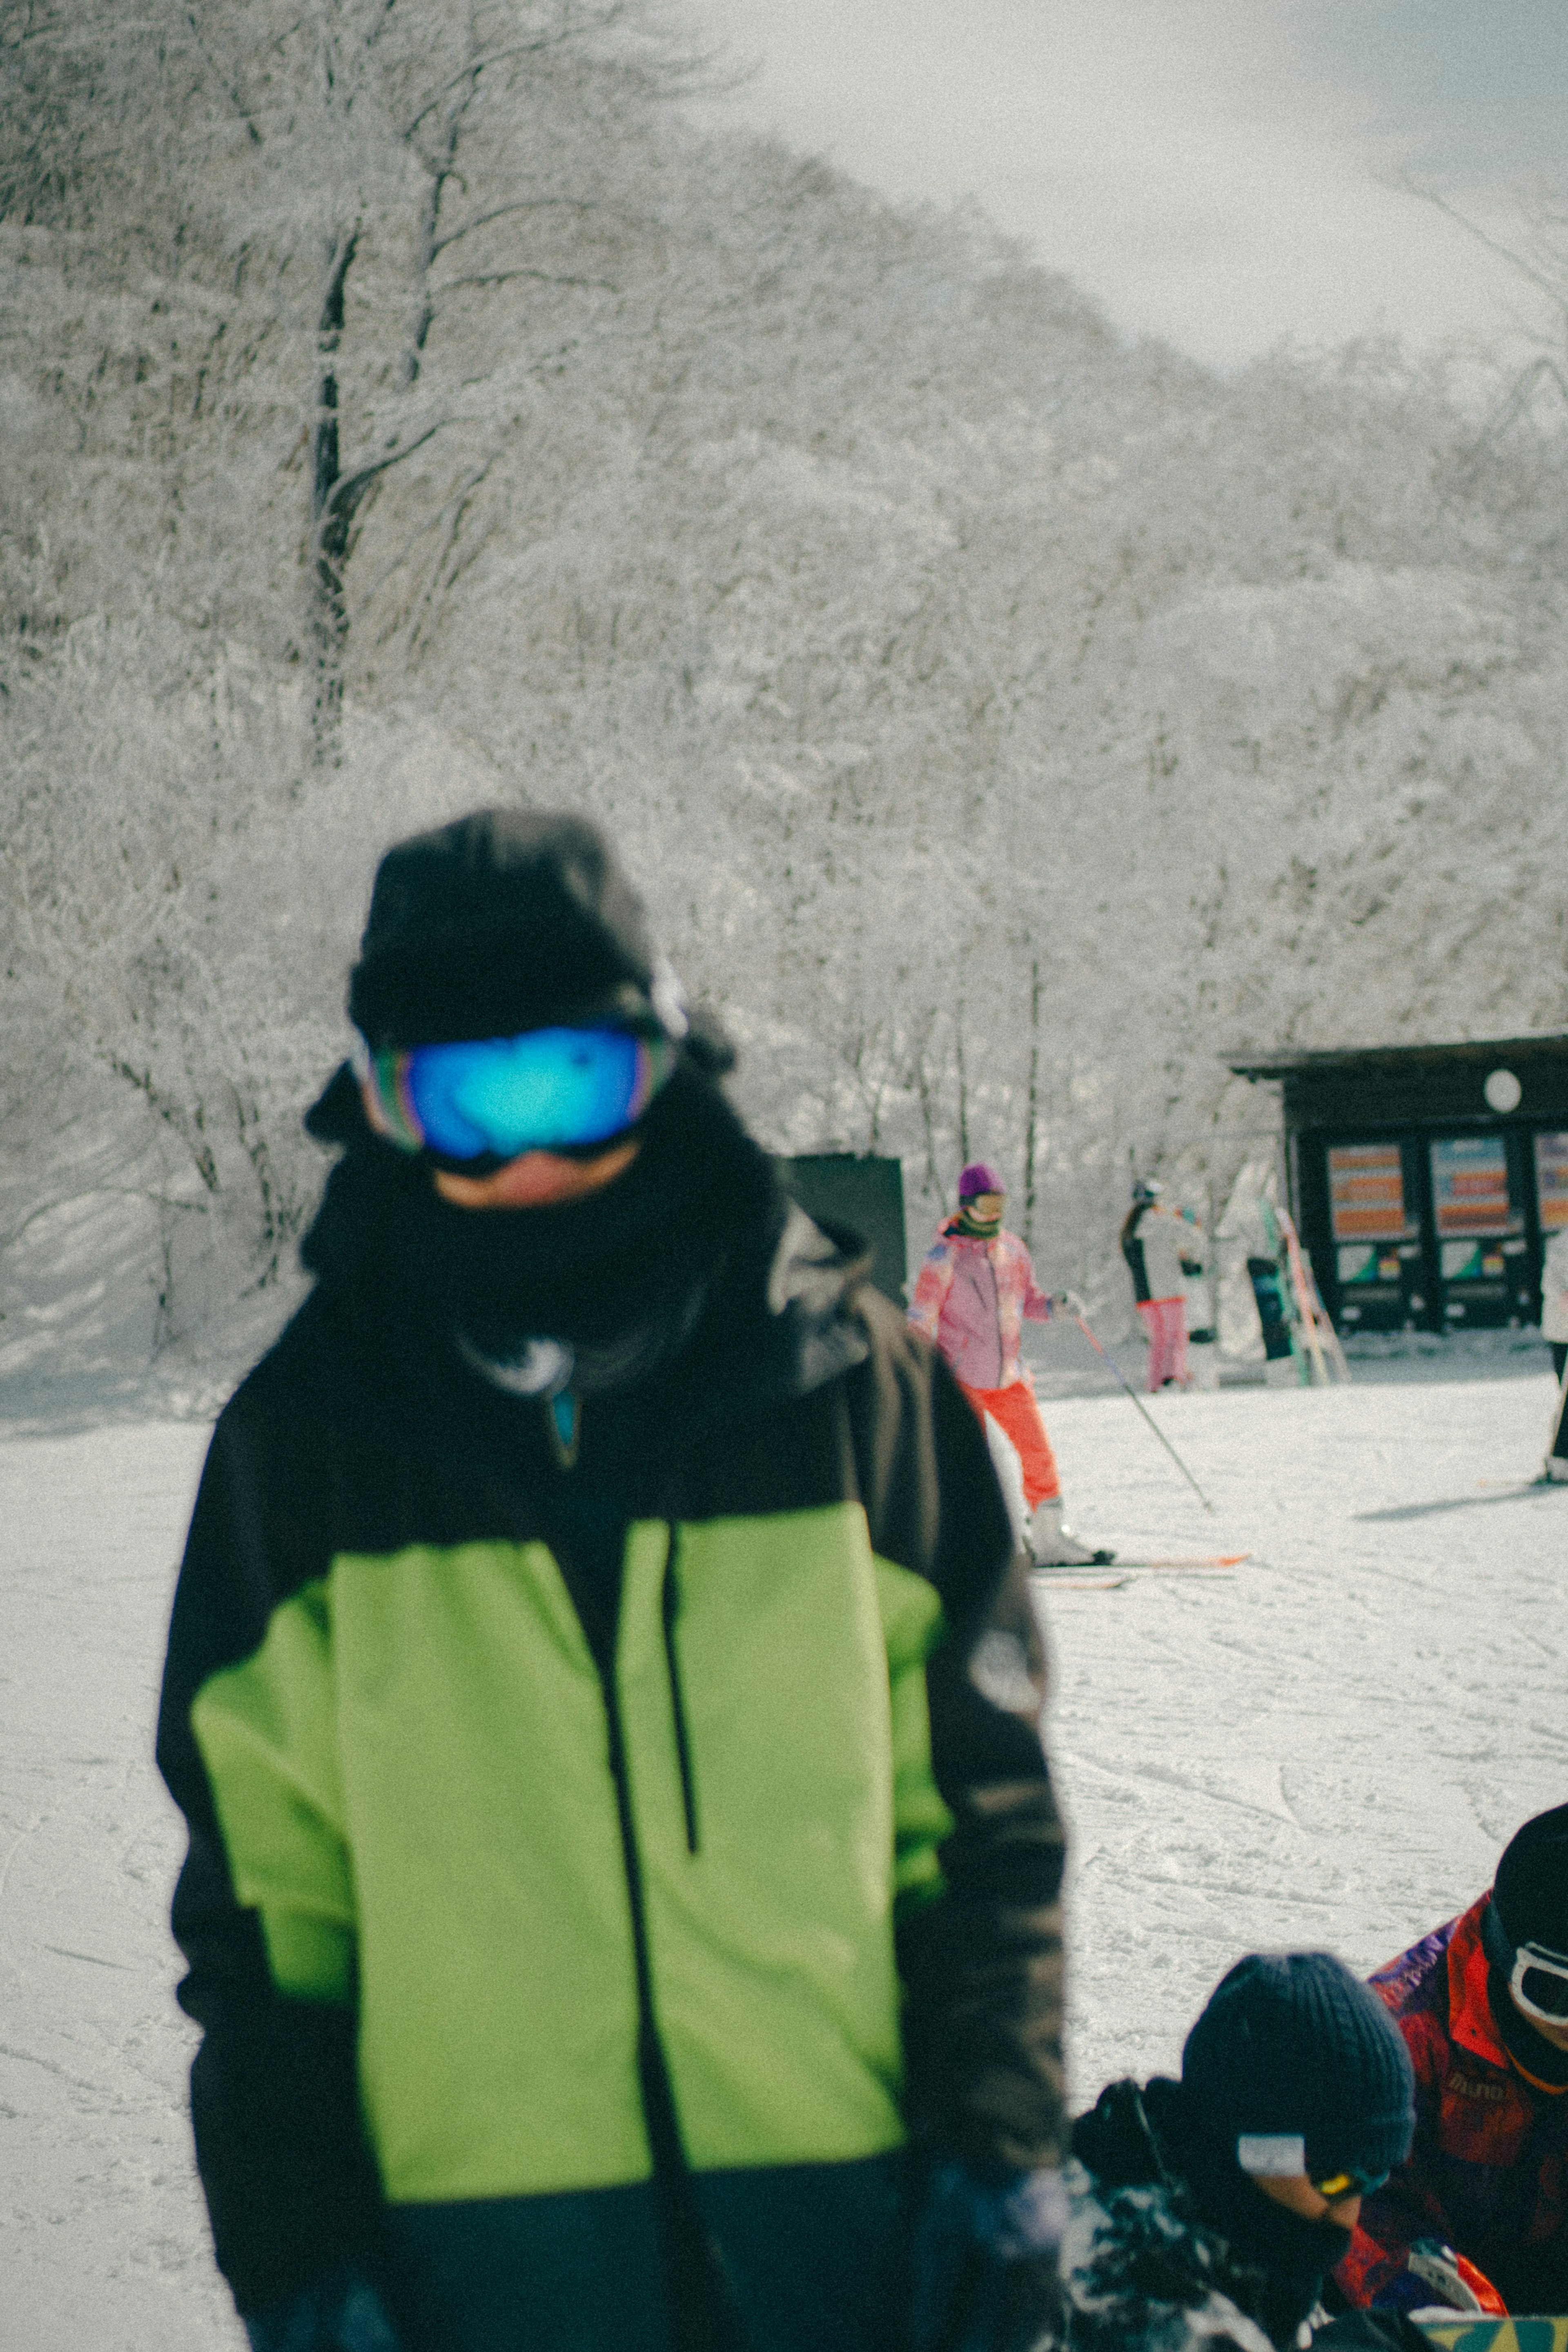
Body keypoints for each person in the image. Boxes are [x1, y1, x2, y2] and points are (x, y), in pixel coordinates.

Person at [156, 810, 1072, 2352]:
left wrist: (1000, 2154)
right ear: (386, 1107)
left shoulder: (852, 1393)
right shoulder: (307, 1452)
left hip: (850, 2238)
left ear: (654, 1063)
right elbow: (265, 1925)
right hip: (489, 2271)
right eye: (466, 1102)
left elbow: (982, 1824)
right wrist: (298, 2256)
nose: (528, 1160)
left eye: (569, 1085)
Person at [1064, 1951, 1424, 2352]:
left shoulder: (1178, 2193)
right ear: (1252, 2149)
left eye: (1375, 2173)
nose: (1348, 2212)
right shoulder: (1133, 2295)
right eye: (1335, 2177)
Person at [1335, 1802, 1568, 2321]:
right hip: (1444, 2276)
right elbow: (1359, 2201)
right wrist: (1439, 2306)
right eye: (1555, 1993)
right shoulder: (1396, 2039)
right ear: (1505, 1961)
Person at [908, 1164, 1112, 1568]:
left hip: (1009, 1376)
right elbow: (922, 1312)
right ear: (967, 1205)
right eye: (987, 1204)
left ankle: (1050, 1538)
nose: (994, 1212)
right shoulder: (944, 1255)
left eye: (1001, 1203)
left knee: (1038, 1453)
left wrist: (1055, 1306)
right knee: (972, 1464)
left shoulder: (1013, 1250)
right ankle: (975, 1544)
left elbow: (1028, 1301)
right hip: (961, 1377)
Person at [1120, 1179, 1193, 1393]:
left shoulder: (1129, 1229)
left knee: (1158, 1340)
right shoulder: (1164, 1220)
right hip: (1169, 1290)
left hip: (1144, 1296)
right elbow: (1193, 1238)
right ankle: (1172, 1378)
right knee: (1176, 1336)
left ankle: (1155, 1382)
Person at [1540, 1224, 1568, 1480]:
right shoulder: (1561, 1244)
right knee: (1566, 1396)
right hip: (1562, 1334)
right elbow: (1553, 1286)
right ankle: (1560, 1462)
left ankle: (1560, 1461)